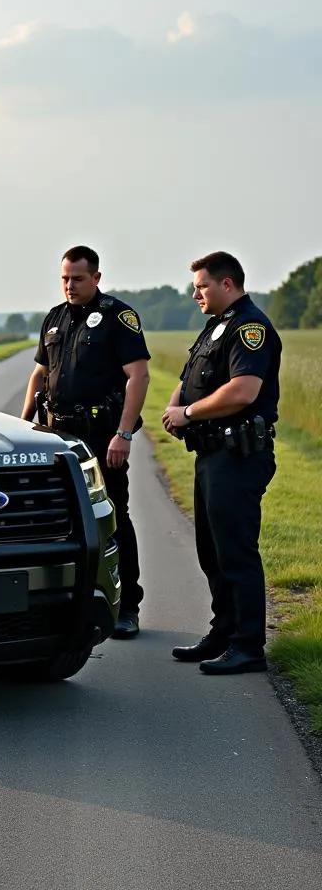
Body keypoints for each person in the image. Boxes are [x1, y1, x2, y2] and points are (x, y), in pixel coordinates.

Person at [162, 251, 281, 675]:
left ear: (227, 284)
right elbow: (188, 377)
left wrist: (190, 414)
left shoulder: (250, 327)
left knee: (236, 552)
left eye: (202, 286)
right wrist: (176, 406)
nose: (196, 293)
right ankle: (223, 632)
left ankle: (249, 647)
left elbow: (244, 390)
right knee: (211, 551)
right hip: (212, 454)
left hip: (239, 456)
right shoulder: (216, 326)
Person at [22, 245, 151, 639]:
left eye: (77, 279)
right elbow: (40, 375)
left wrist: (123, 434)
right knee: (53, 520)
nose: (69, 286)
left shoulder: (118, 317)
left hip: (100, 435)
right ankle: (60, 602)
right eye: (64, 278)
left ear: (96, 278)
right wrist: (23, 428)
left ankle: (128, 605)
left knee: (112, 518)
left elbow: (139, 377)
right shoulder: (55, 318)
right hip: (56, 435)